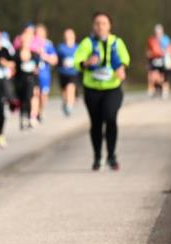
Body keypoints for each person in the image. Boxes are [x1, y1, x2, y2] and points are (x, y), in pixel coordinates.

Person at [74, 11, 130, 171]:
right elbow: (76, 61)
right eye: (97, 23)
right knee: (96, 124)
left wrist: (122, 68)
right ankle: (98, 156)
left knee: (110, 118)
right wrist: (86, 63)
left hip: (112, 88)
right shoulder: (87, 43)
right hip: (92, 89)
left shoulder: (117, 42)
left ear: (109, 25)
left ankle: (111, 156)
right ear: (93, 26)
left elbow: (125, 59)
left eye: (104, 23)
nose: (100, 26)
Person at [14, 26, 41, 131]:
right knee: (22, 99)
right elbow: (14, 66)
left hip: (31, 79)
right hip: (20, 79)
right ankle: (23, 117)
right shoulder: (16, 54)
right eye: (23, 41)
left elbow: (37, 67)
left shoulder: (34, 54)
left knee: (29, 97)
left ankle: (30, 117)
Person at [34, 24, 58, 121]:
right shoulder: (32, 43)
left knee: (43, 95)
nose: (39, 34)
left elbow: (54, 60)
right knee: (35, 94)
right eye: (37, 32)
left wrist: (45, 56)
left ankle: (41, 111)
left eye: (41, 32)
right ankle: (34, 114)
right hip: (34, 73)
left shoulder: (48, 44)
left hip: (44, 74)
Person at [55, 28, 79, 116]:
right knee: (64, 91)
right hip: (62, 72)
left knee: (71, 87)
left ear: (74, 36)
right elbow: (56, 59)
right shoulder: (60, 47)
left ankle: (69, 105)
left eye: (70, 35)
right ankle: (66, 102)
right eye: (66, 35)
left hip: (73, 73)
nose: (68, 37)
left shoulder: (77, 47)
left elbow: (81, 58)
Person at [147, 24, 171, 98]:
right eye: (157, 32)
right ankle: (153, 89)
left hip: (163, 59)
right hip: (154, 59)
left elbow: (169, 48)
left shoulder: (166, 39)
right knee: (153, 76)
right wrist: (150, 55)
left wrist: (167, 55)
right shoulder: (152, 40)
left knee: (164, 76)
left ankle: (165, 91)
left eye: (159, 32)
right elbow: (149, 50)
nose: (158, 34)